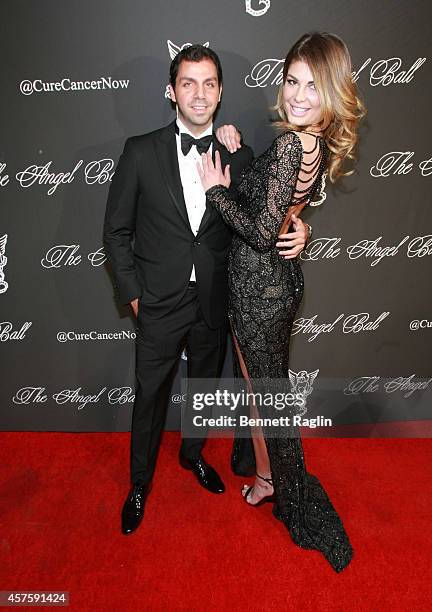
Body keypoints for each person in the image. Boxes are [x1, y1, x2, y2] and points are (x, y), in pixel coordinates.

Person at [103, 44, 310, 536]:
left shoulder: (239, 153)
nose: (199, 94)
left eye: (210, 83)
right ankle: (138, 484)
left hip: (217, 299)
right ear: (171, 92)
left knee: (201, 391)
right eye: (189, 83)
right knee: (149, 396)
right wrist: (133, 294)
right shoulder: (140, 151)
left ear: (220, 93)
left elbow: (270, 218)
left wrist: (304, 233)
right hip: (157, 300)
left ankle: (192, 456)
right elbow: (115, 233)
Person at [197, 32, 365, 573]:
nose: (297, 94)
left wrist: (214, 189)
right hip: (274, 284)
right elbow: (281, 199)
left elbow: (261, 227)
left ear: (334, 92)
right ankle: (269, 472)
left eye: (313, 86)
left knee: (266, 394)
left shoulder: (294, 143)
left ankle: (273, 481)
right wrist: (242, 152)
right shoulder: (306, 142)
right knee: (262, 389)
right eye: (292, 80)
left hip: (259, 288)